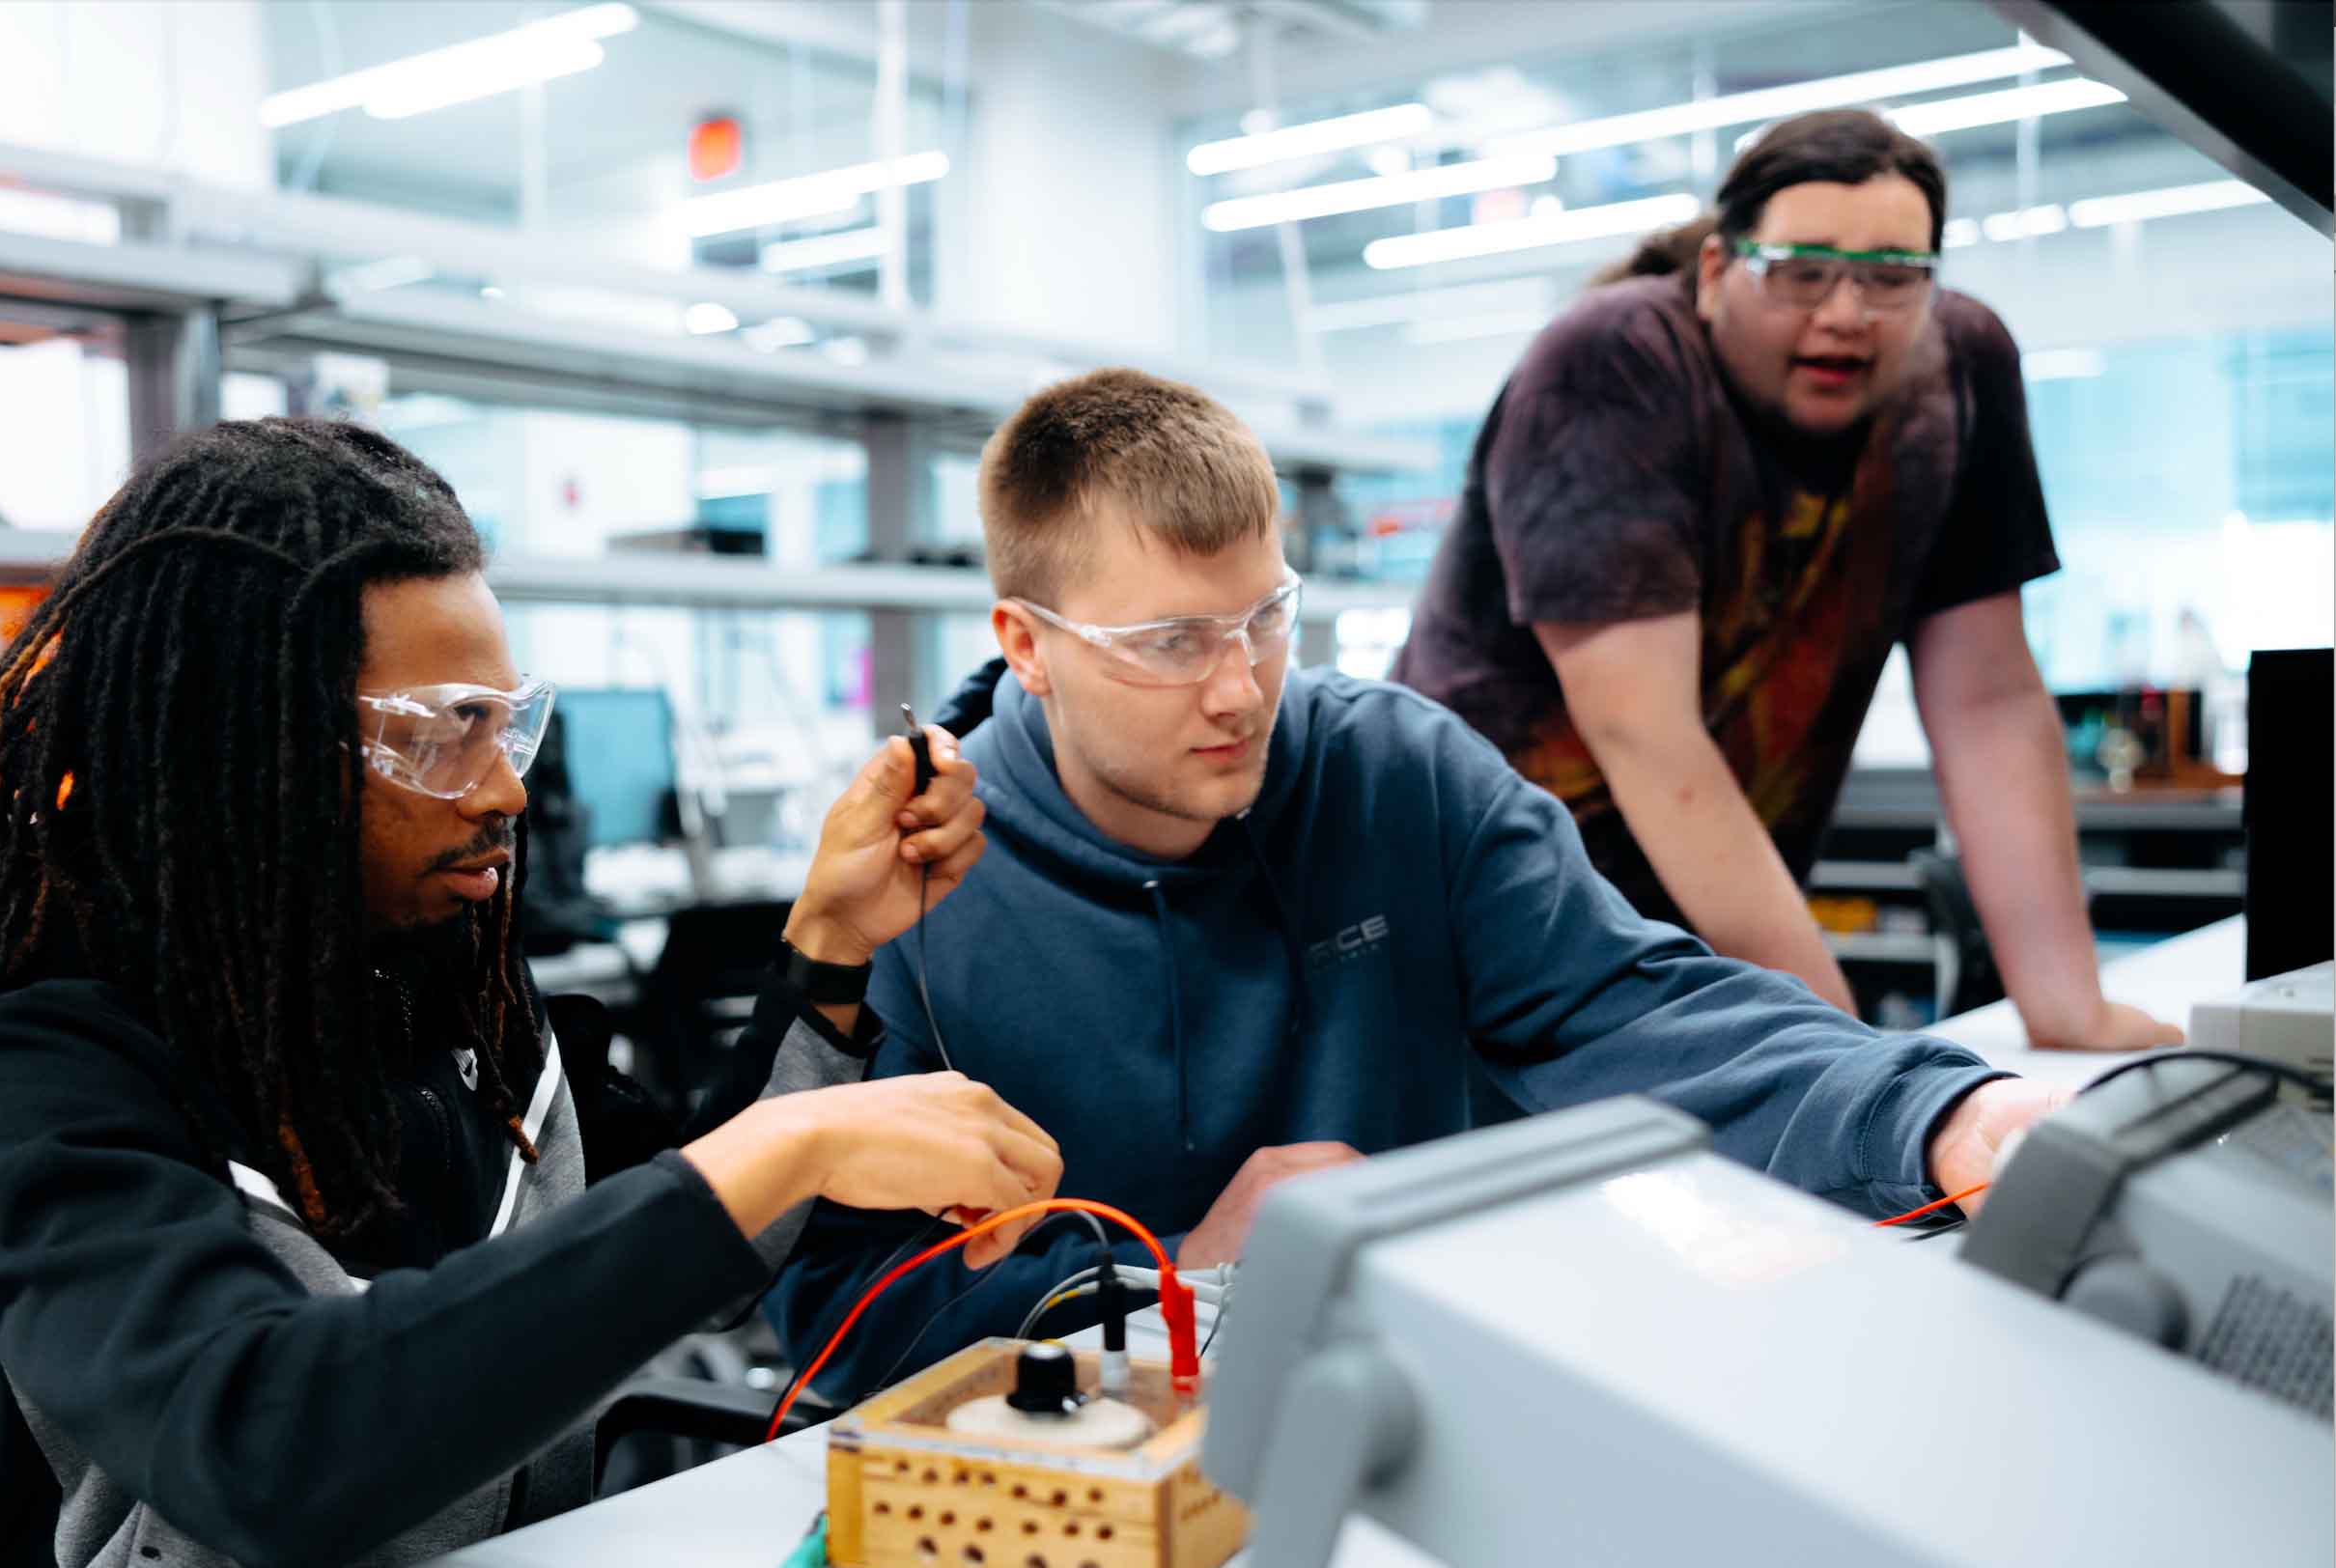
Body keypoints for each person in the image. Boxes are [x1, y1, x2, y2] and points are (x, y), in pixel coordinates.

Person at [0, 418, 1059, 1568]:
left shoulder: (440, 981)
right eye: (444, 735)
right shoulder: (32, 1068)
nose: (504, 786)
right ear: (246, 742)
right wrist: (782, 1153)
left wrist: (832, 949)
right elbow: (273, 1452)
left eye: (506, 723)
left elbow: (669, 1245)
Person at [764, 367, 2062, 1394]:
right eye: (1171, 642)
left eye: (1264, 618)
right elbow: (842, 1307)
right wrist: (1185, 1273)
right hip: (1087, 1492)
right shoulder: (916, 885)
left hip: (1423, 1411)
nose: (1237, 689)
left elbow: (1639, 1008)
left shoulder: (1393, 771)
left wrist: (1938, 1114)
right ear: (1026, 647)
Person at [1390, 108, 2179, 1050]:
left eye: (1891, 278)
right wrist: (1841, 1050)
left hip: (1705, 932)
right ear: (1718, 271)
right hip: (1469, 921)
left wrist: (2066, 1009)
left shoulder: (1958, 374)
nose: (1845, 313)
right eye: (1802, 272)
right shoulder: (1617, 358)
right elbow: (1644, 731)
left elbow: (1989, 701)